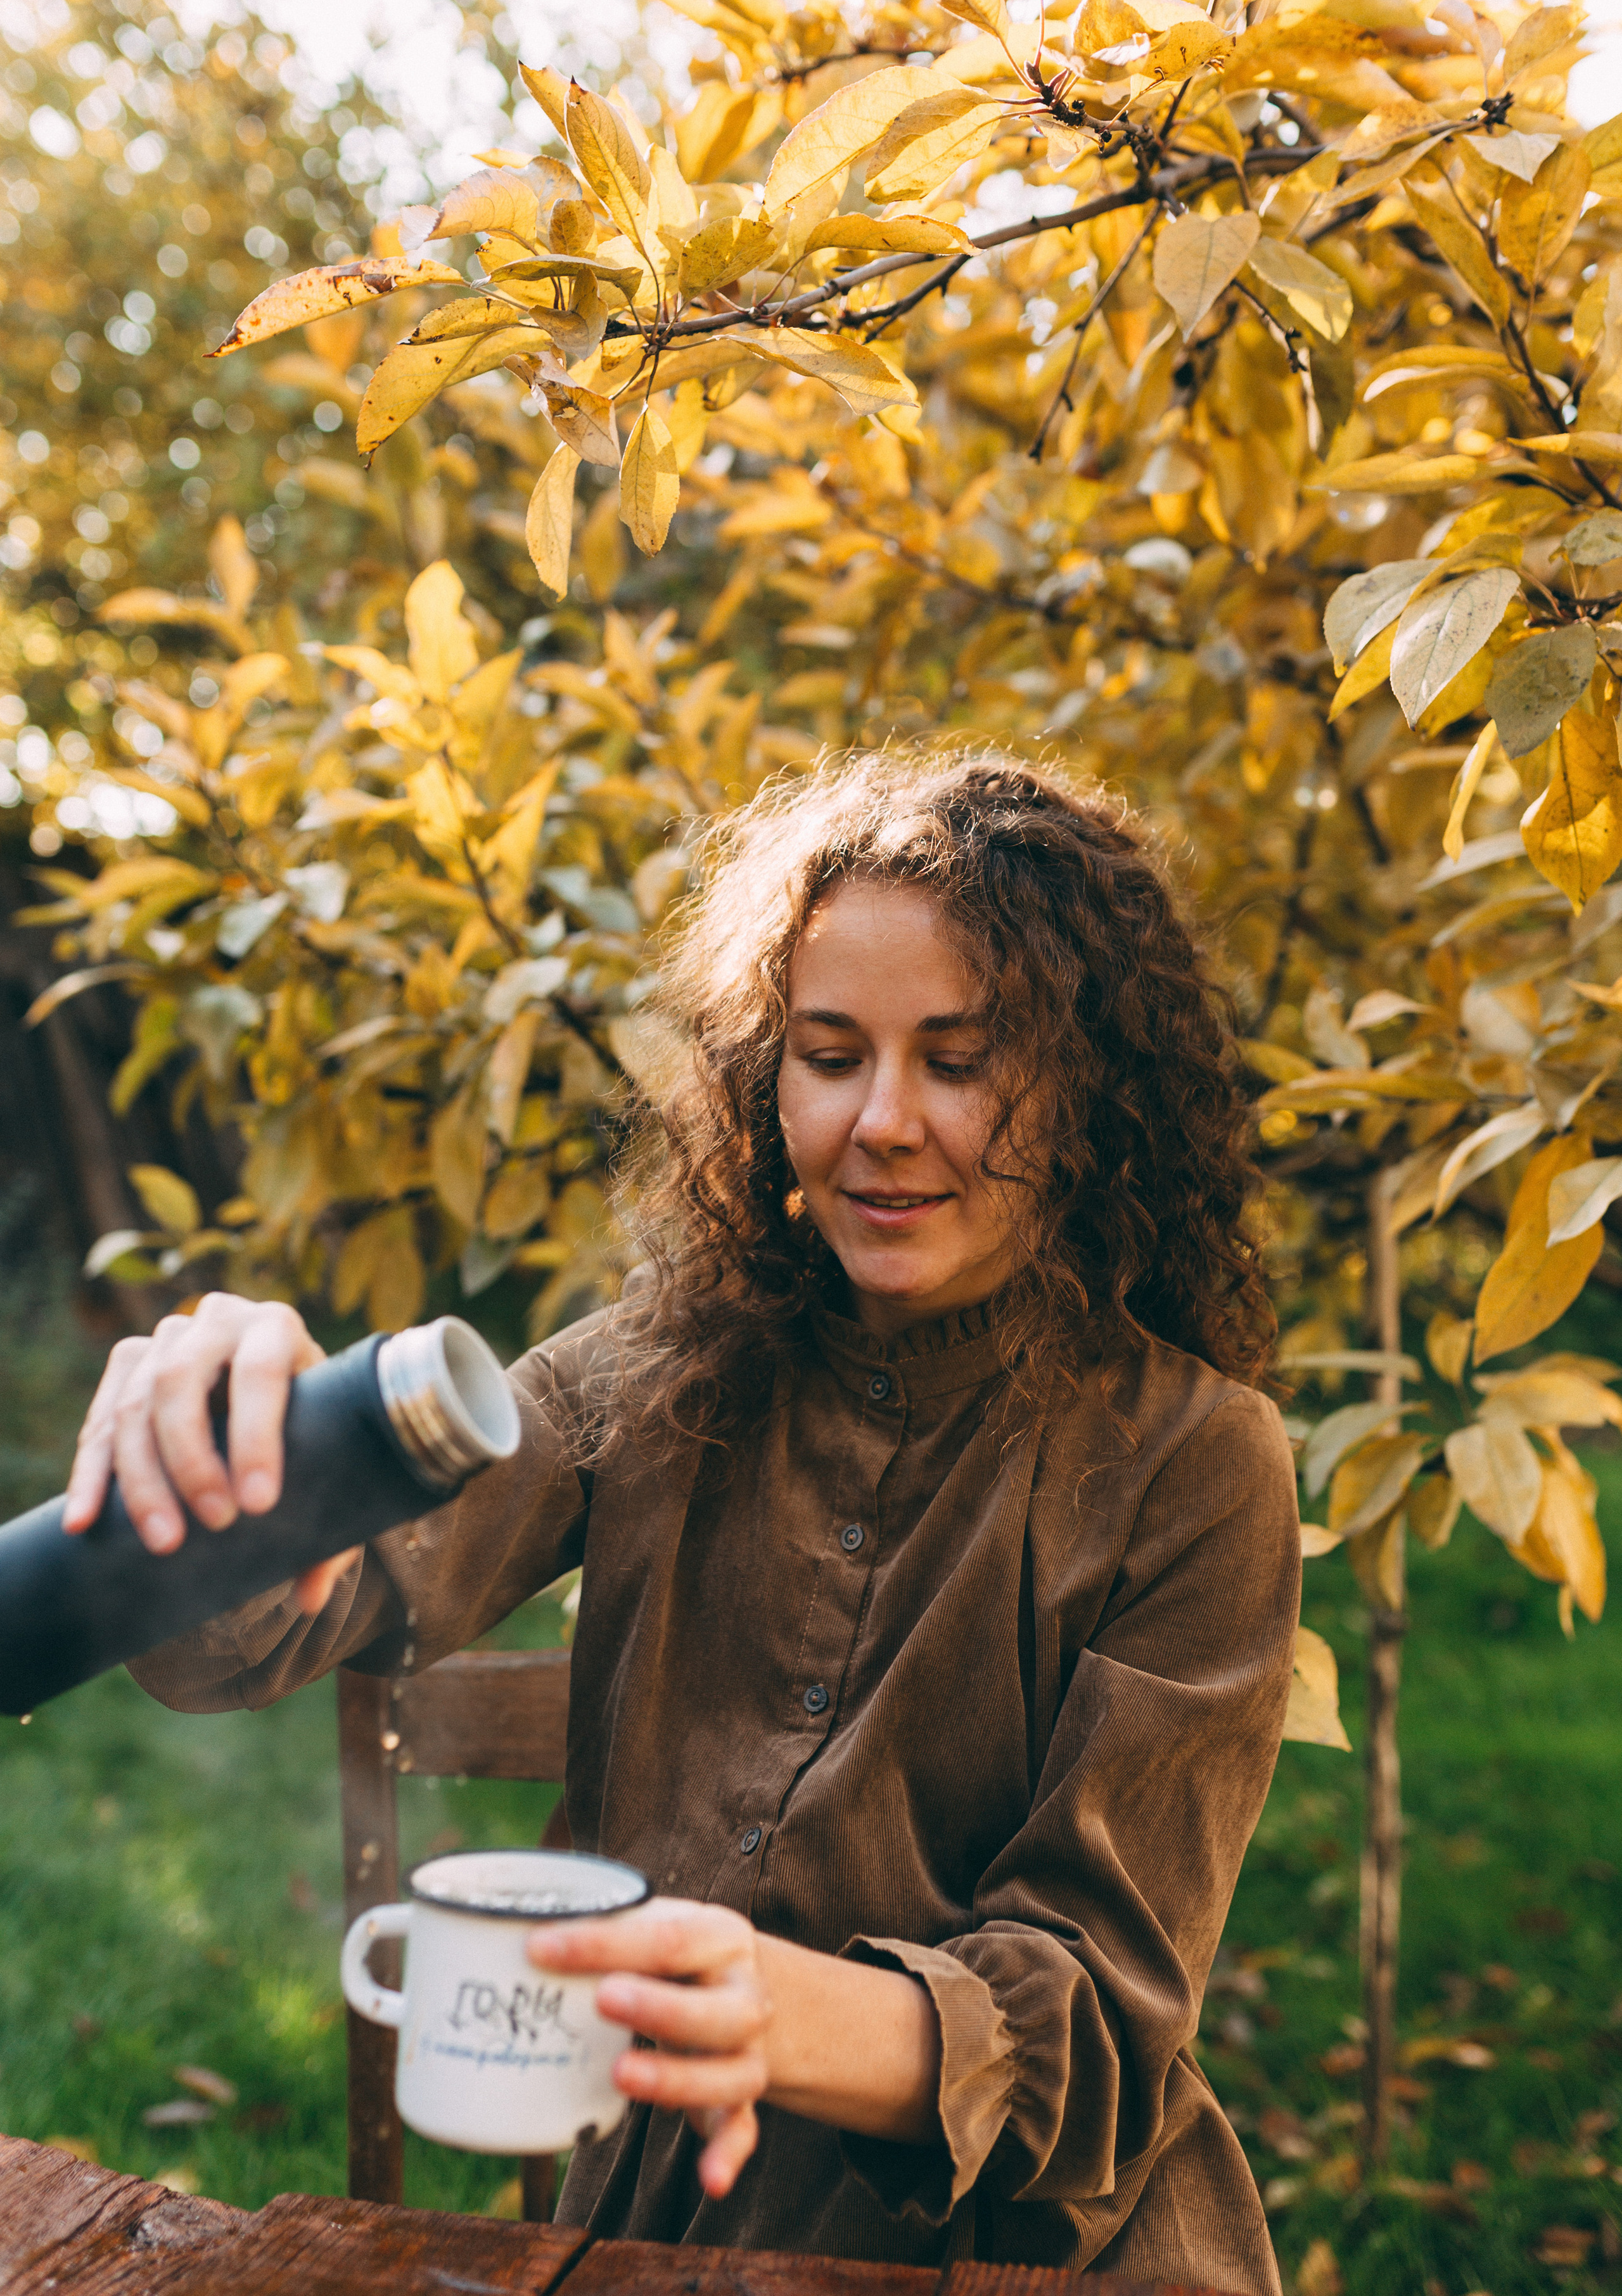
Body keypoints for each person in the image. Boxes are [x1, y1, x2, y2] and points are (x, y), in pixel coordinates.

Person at [65, 757, 1300, 2291]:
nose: (881, 1122)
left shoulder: (1197, 1461)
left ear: (1087, 1086)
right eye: (828, 1054)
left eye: (961, 1060)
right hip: (664, 2234)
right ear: (764, 1075)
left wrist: (773, 2002)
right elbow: (256, 1629)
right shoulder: (650, 1373)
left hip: (1043, 2250)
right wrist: (237, 1442)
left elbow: (1094, 2024)